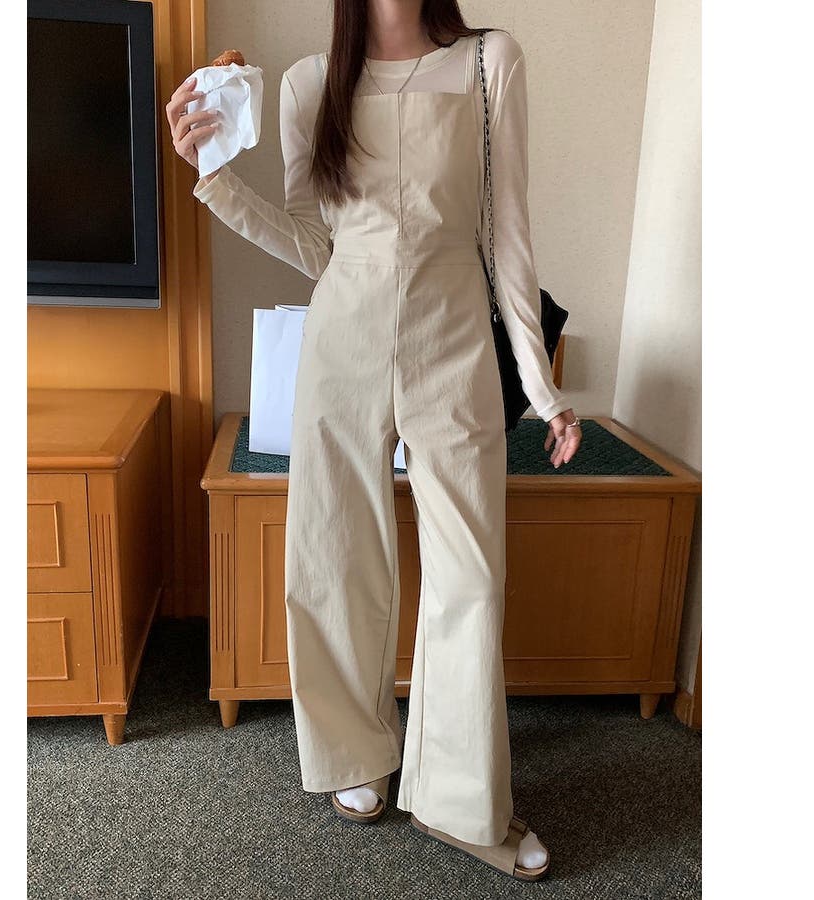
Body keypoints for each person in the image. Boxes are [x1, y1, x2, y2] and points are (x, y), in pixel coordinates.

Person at [167, 0, 582, 881]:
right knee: (334, 555)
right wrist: (214, 178)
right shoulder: (310, 85)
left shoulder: (489, 61)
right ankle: (355, 752)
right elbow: (315, 245)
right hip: (342, 339)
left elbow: (506, 236)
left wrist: (543, 388)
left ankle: (462, 802)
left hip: (453, 337)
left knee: (471, 577)